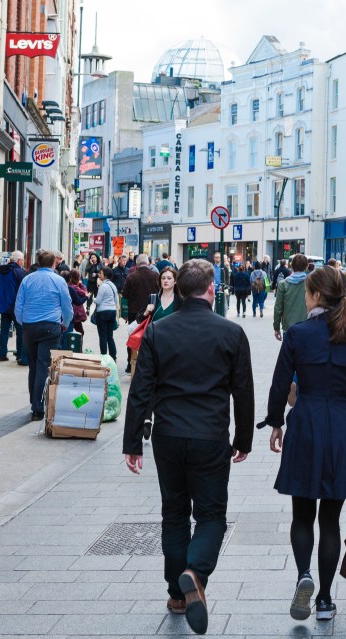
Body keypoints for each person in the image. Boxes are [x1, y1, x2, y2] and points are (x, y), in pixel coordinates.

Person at [122, 259, 254, 635]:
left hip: (168, 435)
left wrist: (133, 442)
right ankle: (194, 572)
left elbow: (141, 388)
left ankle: (176, 594)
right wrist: (243, 439)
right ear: (211, 290)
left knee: (174, 512)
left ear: (178, 290)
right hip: (211, 435)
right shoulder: (231, 333)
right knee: (211, 515)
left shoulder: (159, 331)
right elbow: (243, 392)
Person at [259, 265, 346, 622]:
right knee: (330, 519)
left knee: (302, 515)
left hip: (308, 425)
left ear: (313, 295)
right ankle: (325, 601)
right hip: (344, 427)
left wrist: (275, 423)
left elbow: (279, 384)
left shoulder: (298, 334)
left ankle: (304, 576)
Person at [14, 250, 73, 421]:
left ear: (38, 263)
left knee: (33, 365)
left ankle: (34, 402)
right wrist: (65, 323)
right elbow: (67, 306)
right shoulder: (58, 280)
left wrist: (22, 323)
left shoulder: (27, 279)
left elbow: (19, 305)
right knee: (43, 365)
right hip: (50, 326)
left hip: (30, 327)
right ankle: (38, 407)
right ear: (54, 263)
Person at [121, 255, 161, 373]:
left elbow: (125, 296)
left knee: (133, 336)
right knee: (151, 338)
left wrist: (124, 314)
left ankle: (130, 363)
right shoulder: (156, 276)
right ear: (148, 263)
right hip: (152, 311)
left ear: (136, 265)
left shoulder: (131, 277)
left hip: (134, 312)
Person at [0, 251, 27, 364]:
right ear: (19, 261)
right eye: (22, 260)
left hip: (4, 305)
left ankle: (2, 353)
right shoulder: (19, 272)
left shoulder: (2, 272)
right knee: (20, 330)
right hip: (15, 306)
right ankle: (19, 354)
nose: (23, 262)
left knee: (4, 330)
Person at [273, 253, 309, 341]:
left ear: (291, 266)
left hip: (289, 327)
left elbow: (278, 308)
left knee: (289, 353)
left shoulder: (283, 284)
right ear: (306, 267)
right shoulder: (311, 283)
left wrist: (276, 327)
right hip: (307, 326)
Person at [93, 266, 119, 361]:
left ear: (105, 275)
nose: (99, 275)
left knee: (102, 336)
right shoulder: (113, 285)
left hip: (103, 313)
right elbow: (116, 300)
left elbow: (98, 301)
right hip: (112, 311)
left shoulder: (103, 286)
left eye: (101, 273)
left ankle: (104, 356)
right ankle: (113, 357)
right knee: (110, 336)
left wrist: (92, 298)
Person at [68, 269, 89, 335]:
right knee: (80, 332)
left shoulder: (70, 285)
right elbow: (84, 293)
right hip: (76, 313)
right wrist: (81, 284)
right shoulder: (75, 287)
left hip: (72, 312)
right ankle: (78, 345)